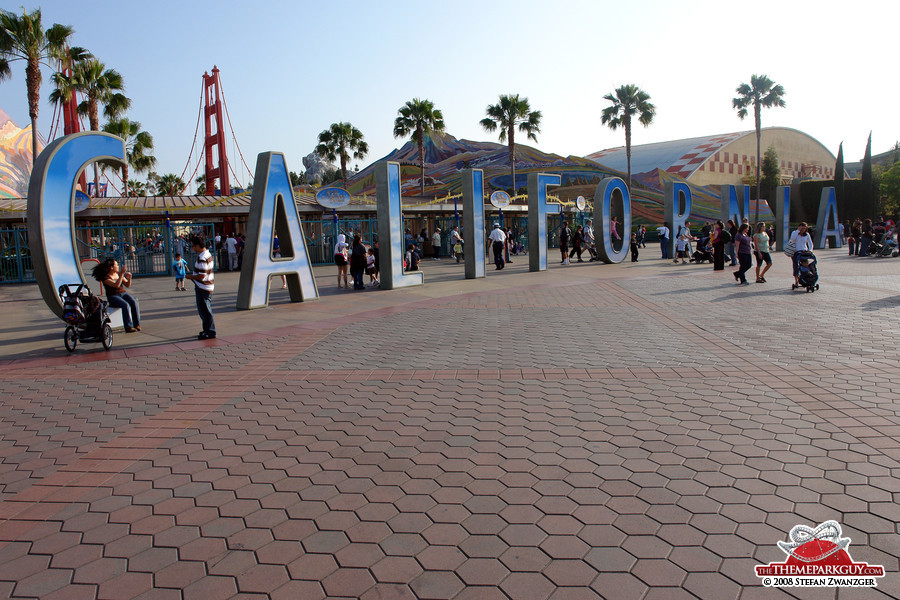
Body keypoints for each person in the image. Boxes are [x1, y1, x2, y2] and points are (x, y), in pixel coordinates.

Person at [91, 258, 141, 333]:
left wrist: (129, 278)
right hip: (113, 296)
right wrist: (121, 274)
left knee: (133, 302)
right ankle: (128, 326)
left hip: (123, 293)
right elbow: (116, 285)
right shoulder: (105, 277)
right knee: (125, 305)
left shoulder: (117, 274)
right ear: (111, 267)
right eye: (116, 265)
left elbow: (127, 285)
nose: (118, 266)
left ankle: (136, 324)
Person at [184, 235, 215, 340]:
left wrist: (189, 277)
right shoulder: (207, 254)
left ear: (197, 245)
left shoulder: (202, 257)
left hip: (203, 287)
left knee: (205, 311)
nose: (192, 248)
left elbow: (202, 275)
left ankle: (210, 331)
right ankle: (207, 330)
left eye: (193, 246)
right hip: (205, 287)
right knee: (204, 311)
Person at [789, 222, 814, 288]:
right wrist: (798, 231)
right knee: (796, 266)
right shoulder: (795, 233)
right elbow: (792, 239)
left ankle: (808, 277)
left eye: (804, 228)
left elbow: (810, 243)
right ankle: (796, 280)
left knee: (805, 264)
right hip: (796, 252)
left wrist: (810, 250)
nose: (803, 230)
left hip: (804, 251)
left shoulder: (807, 234)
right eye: (802, 228)